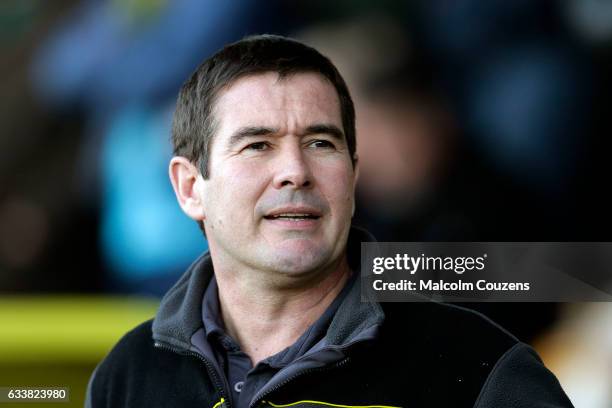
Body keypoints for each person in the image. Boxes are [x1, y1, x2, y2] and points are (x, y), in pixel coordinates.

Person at [86, 34, 573, 408]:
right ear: (191, 187)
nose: (296, 170)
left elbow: (570, 275)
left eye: (322, 142)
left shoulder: (486, 357)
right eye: (258, 145)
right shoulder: (127, 375)